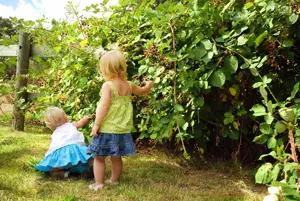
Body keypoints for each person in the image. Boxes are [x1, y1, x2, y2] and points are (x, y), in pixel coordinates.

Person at [87, 50, 154, 190]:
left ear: (105, 69)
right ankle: (114, 180)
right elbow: (142, 91)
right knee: (116, 157)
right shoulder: (129, 85)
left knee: (99, 157)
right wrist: (149, 86)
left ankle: (98, 183)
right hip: (122, 129)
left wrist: (96, 124)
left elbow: (103, 106)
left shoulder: (108, 86)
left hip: (107, 127)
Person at [35, 107, 94, 178]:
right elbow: (81, 123)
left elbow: (53, 148)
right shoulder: (71, 124)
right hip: (76, 153)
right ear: (65, 118)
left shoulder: (55, 133)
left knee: (52, 171)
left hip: (62, 157)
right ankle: (92, 168)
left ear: (50, 126)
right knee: (90, 157)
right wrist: (86, 118)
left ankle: (67, 174)